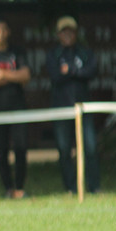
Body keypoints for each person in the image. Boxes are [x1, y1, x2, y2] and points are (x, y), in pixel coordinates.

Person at [46, 16, 100, 194]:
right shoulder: (53, 55)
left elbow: (91, 71)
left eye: (71, 31)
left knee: (90, 147)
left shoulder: (85, 53)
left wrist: (71, 70)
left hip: (84, 108)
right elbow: (56, 76)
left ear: (76, 33)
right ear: (58, 34)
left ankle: (93, 186)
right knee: (64, 149)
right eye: (64, 31)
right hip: (61, 108)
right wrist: (77, 72)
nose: (67, 34)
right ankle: (70, 187)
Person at [0, 17, 31, 199]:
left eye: (3, 29)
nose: (0, 33)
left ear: (8, 31)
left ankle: (20, 187)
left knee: (21, 147)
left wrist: (3, 74)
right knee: (1, 149)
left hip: (17, 106)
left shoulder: (18, 52)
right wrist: (13, 75)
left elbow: (26, 75)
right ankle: (8, 188)